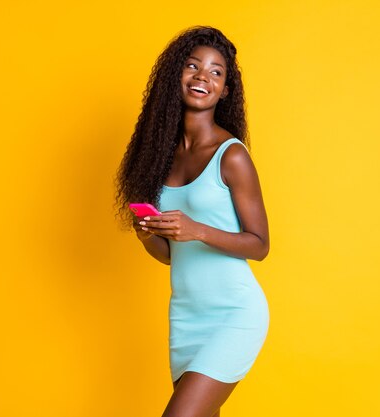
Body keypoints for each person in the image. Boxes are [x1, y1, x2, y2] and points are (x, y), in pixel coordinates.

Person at [113, 26, 270, 417]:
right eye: (193, 66)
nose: (203, 77)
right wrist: (146, 234)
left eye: (217, 72)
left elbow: (260, 244)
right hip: (186, 317)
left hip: (234, 313)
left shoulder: (231, 156)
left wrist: (197, 229)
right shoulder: (158, 159)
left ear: (225, 90)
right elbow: (171, 256)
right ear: (175, 76)